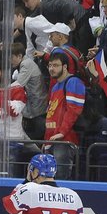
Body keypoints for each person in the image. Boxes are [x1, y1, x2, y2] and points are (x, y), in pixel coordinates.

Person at [43, 50, 85, 179]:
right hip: (52, 139)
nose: (51, 69)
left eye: (55, 65)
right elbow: (51, 114)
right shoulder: (55, 87)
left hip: (65, 140)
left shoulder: (73, 82)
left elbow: (73, 110)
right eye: (50, 65)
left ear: (65, 67)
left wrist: (62, 132)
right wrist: (46, 140)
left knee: (60, 178)